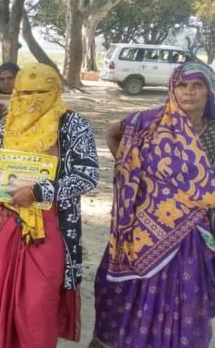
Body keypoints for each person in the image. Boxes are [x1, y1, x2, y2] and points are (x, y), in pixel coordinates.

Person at [0, 63, 99, 348]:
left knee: (38, 304)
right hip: (4, 221)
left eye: (40, 92)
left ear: (56, 91)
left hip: (50, 227)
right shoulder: (8, 125)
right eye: (24, 93)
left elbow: (87, 176)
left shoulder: (73, 125)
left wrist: (39, 191)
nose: (31, 99)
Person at [91, 62, 215, 348]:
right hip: (141, 233)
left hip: (193, 237)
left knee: (187, 302)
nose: (189, 92)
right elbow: (112, 133)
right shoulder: (146, 122)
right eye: (182, 85)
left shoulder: (213, 134)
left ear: (209, 92)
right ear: (172, 89)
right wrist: (130, 173)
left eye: (197, 86)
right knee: (132, 298)